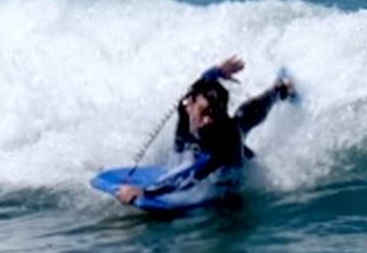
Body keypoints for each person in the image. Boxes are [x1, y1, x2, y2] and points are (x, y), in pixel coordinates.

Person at [117, 56, 295, 205]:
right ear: (190, 105)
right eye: (203, 112)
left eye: (214, 113)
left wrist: (147, 193)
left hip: (228, 156)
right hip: (211, 141)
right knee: (188, 133)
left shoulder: (223, 139)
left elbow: (194, 173)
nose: (208, 119)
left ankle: (281, 89)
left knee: (245, 116)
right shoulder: (187, 108)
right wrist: (216, 71)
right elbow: (200, 84)